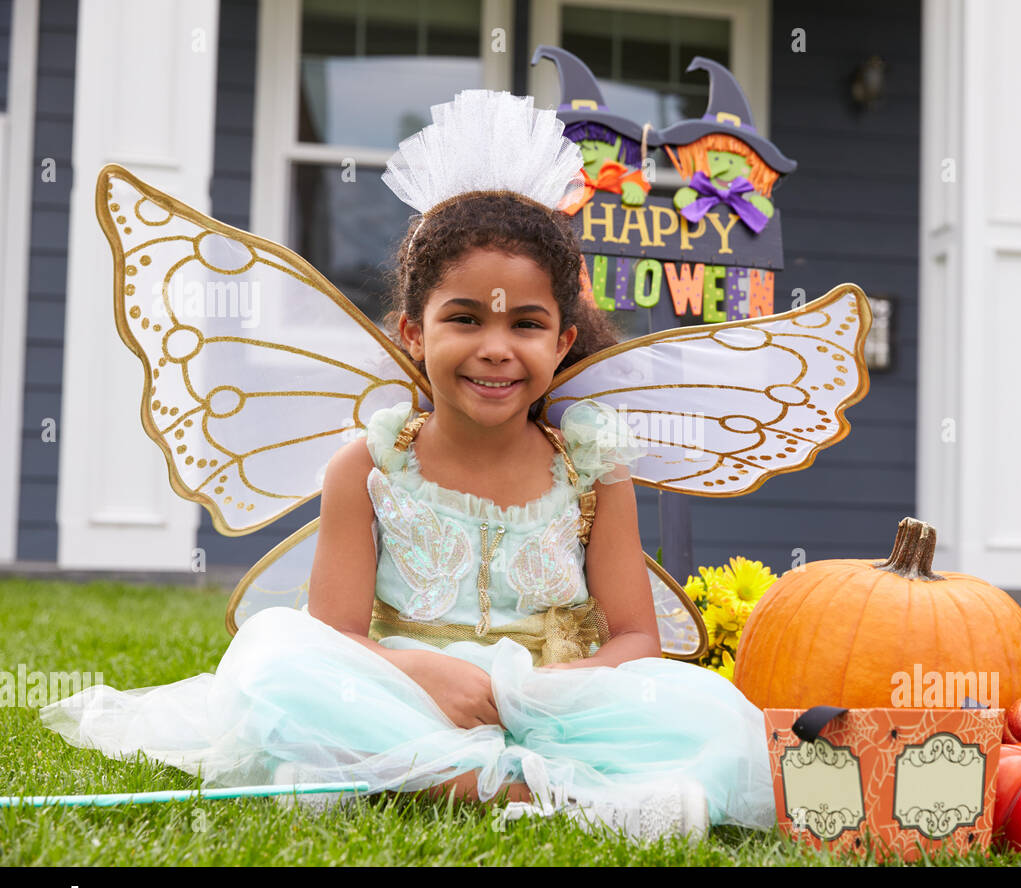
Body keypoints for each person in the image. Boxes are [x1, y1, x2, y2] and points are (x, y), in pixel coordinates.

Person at [39, 89, 777, 847]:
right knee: (277, 665)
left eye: (526, 324)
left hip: (562, 703)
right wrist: (428, 675)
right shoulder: (370, 464)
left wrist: (548, 691)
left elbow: (633, 639)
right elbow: (333, 638)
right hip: (404, 691)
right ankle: (544, 791)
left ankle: (374, 775)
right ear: (413, 333)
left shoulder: (592, 468)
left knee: (711, 717)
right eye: (464, 318)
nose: (496, 347)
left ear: (562, 343)